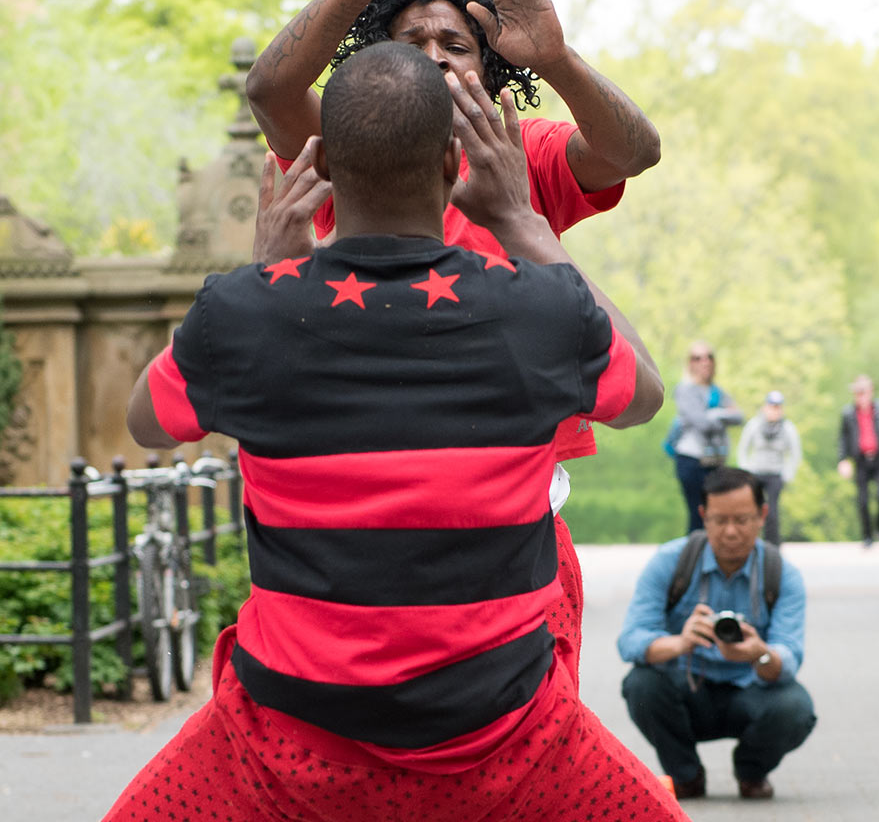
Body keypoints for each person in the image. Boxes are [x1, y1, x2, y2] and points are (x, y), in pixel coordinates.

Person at [106, 44, 685, 822]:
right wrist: (523, 224)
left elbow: (147, 423)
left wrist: (262, 271)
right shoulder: (541, 310)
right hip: (510, 743)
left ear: (323, 170)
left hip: (284, 746)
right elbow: (643, 397)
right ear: (454, 163)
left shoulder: (248, 317)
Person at [246, 0, 662, 675]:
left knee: (523, 749)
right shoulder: (348, 145)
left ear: (488, 68)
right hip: (359, 498)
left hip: (513, 507)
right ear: (377, 65)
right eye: (413, 41)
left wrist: (557, 58)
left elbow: (633, 151)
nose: (436, 55)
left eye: (456, 44)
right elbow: (268, 90)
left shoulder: (517, 151)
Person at [618, 466, 816, 802]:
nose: (730, 532)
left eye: (742, 520)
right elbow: (630, 640)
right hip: (687, 689)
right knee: (641, 684)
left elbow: (790, 658)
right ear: (703, 516)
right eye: (719, 520)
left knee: (794, 706)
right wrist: (680, 642)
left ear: (762, 515)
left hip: (751, 691)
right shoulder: (671, 562)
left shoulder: (781, 574)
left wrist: (758, 653)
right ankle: (686, 776)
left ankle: (751, 772)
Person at [669, 341, 743, 533]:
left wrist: (714, 414)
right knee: (698, 515)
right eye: (698, 358)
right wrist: (721, 414)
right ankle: (693, 561)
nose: (705, 362)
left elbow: (738, 416)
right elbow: (702, 423)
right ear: (690, 363)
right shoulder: (685, 390)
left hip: (715, 461)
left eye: (709, 356)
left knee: (714, 515)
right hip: (691, 460)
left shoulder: (716, 391)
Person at [837, 374, 879, 546]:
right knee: (862, 501)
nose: (861, 396)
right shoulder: (848, 413)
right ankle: (867, 536)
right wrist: (843, 460)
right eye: (858, 393)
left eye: (864, 392)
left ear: (870, 392)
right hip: (860, 460)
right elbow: (843, 439)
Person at [736, 390, 802, 546]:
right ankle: (749, 543)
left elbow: (795, 453)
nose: (774, 410)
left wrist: (788, 474)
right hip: (756, 473)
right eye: (772, 406)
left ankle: (773, 546)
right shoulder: (754, 425)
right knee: (752, 510)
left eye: (777, 406)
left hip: (775, 474)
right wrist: (746, 471)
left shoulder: (787, 429)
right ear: (765, 407)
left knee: (772, 512)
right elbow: (743, 449)